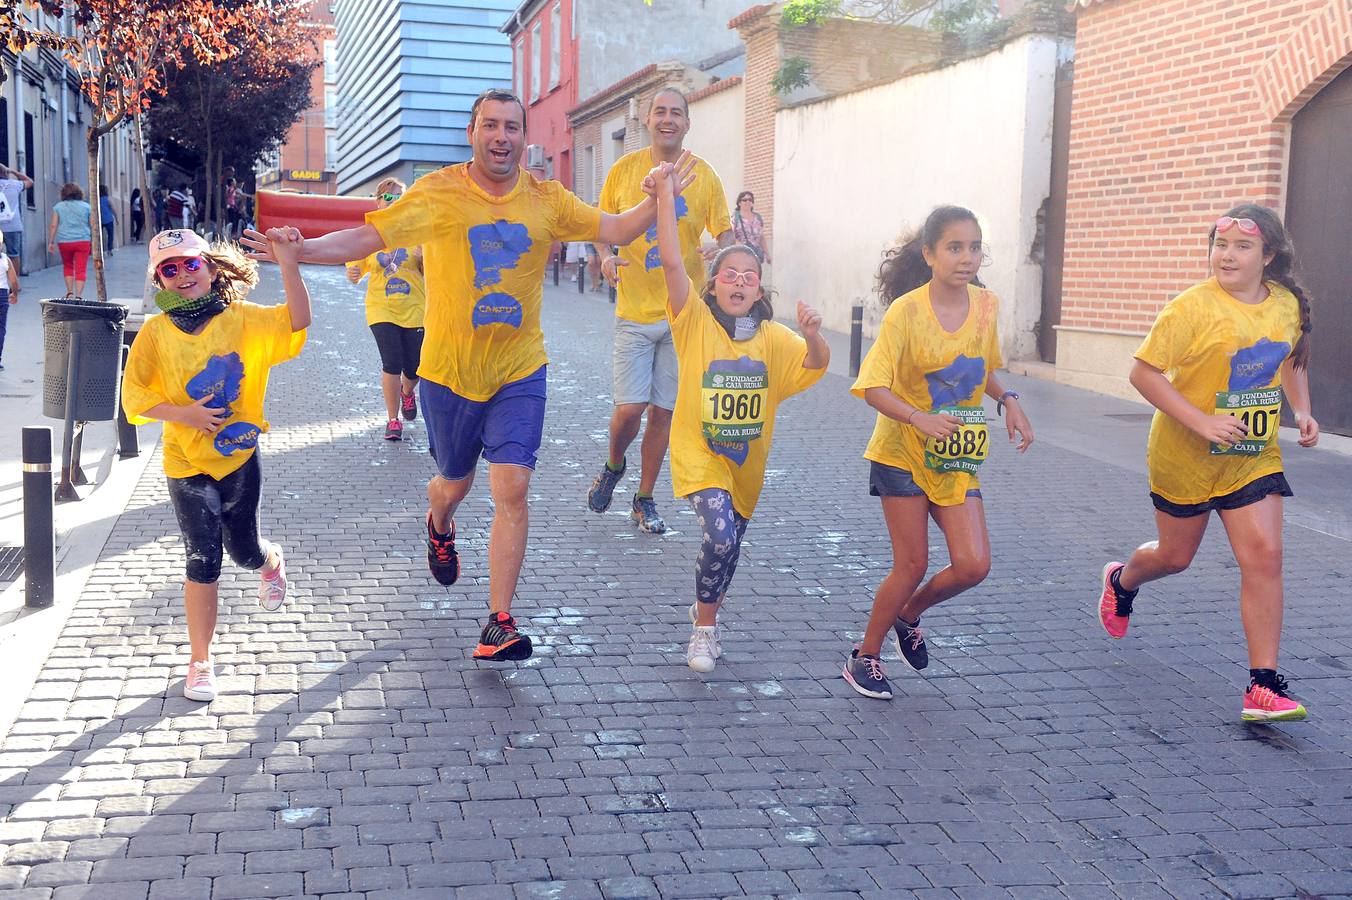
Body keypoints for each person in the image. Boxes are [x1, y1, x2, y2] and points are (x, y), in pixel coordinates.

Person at [241, 88, 694, 663]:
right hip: (449, 373)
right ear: (472, 132)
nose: (501, 137)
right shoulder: (437, 192)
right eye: (490, 126)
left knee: (513, 486)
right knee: (453, 482)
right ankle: (438, 521)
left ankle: (498, 622)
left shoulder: (546, 198)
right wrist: (301, 251)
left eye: (512, 127)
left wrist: (658, 194)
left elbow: (619, 229)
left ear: (524, 138)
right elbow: (369, 236)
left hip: (519, 368)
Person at [1096, 204, 1318, 723]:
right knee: (1175, 557)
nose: (1228, 255)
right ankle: (1122, 582)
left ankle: (1262, 685)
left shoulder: (1284, 304)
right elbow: (1143, 373)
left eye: (1242, 246)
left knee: (1265, 556)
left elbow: (1289, 359)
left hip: (1250, 455)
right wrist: (1201, 421)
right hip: (1184, 454)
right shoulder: (1190, 309)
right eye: (1221, 245)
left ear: (1268, 255)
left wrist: (1302, 410)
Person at [843, 205, 1034, 701]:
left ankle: (909, 615)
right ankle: (864, 656)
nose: (966, 257)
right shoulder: (906, 311)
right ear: (929, 254)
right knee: (910, 565)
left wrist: (1008, 399)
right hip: (902, 452)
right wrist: (918, 418)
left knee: (973, 565)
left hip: (954, 457)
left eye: (974, 247)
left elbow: (981, 367)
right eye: (954, 247)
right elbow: (872, 387)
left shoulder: (987, 305)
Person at [650, 161, 827, 672]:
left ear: (759, 289)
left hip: (747, 464)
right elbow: (670, 263)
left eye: (750, 277)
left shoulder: (773, 337)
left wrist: (814, 335)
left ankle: (707, 611)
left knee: (727, 549)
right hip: (697, 453)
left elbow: (814, 364)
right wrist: (665, 196)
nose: (741, 282)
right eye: (730, 274)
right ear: (713, 285)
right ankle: (703, 632)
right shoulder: (694, 321)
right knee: (721, 535)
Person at [121, 228, 310, 703]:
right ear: (159, 280)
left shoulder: (242, 319)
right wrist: (183, 413)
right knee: (203, 559)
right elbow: (135, 395)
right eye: (170, 268)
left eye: (191, 264)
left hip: (239, 456)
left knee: (243, 552)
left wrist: (289, 263)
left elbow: (297, 321)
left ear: (210, 267)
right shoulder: (155, 332)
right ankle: (200, 661)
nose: (183, 275)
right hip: (185, 462)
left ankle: (270, 561)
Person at [587, 87, 733, 535]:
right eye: (660, 112)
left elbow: (724, 232)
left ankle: (644, 498)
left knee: (663, 414)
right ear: (647, 121)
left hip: (681, 315)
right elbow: (600, 225)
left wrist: (723, 259)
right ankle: (614, 466)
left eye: (676, 113)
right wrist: (606, 256)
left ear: (687, 123)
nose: (668, 119)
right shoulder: (623, 170)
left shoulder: (703, 174)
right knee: (629, 409)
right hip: (633, 312)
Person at [345, 178, 425, 442]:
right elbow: (354, 268)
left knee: (415, 367)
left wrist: (426, 259)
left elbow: (431, 273)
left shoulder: (417, 233)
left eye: (400, 197)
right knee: (392, 363)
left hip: (415, 309)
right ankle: (393, 420)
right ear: (378, 202)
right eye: (388, 197)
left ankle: (407, 391)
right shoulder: (370, 235)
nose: (394, 202)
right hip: (381, 309)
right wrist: (353, 272)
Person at [48, 183, 93, 298]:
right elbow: (92, 224)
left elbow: (53, 225)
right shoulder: (87, 207)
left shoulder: (58, 207)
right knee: (81, 268)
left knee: (68, 266)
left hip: (64, 241)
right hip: (83, 241)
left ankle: (70, 293)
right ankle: (79, 295)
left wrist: (51, 242)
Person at [0, 163, 33, 276]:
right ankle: (15, 283)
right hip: (12, 225)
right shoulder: (15, 184)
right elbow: (30, 181)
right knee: (13, 254)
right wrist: (13, 172)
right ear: (6, 173)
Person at [731, 191, 771, 266]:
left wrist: (767, 254)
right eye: (744, 200)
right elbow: (731, 236)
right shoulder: (735, 218)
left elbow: (761, 237)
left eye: (750, 200)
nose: (747, 202)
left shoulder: (757, 218)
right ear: (739, 203)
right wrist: (741, 247)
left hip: (756, 255)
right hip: (741, 255)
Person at [0, 250, 19, 371]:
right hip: (2, 296)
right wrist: (14, 294)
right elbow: (14, 281)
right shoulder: (5, 259)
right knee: (1, 328)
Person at [99, 184, 116, 252]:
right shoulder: (108, 198)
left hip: (100, 219)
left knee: (98, 236)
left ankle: (99, 249)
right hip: (109, 219)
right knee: (110, 235)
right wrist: (116, 218)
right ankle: (109, 249)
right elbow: (113, 208)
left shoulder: (96, 199)